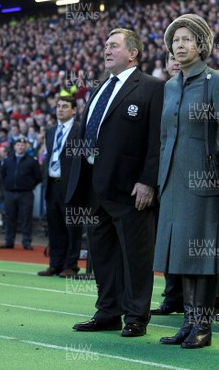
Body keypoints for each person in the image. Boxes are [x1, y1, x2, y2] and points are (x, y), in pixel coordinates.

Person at [67, 28, 164, 337]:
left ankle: (136, 316)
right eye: (105, 46)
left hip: (130, 189)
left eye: (113, 46)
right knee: (102, 255)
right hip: (96, 186)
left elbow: (156, 139)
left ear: (132, 53)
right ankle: (107, 311)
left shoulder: (152, 88)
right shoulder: (99, 88)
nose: (106, 50)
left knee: (136, 255)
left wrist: (148, 181)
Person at [155, 14, 219, 349]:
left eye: (187, 39)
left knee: (200, 254)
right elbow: (163, 137)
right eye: (176, 40)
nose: (180, 45)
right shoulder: (170, 86)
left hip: (204, 182)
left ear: (201, 45)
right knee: (181, 256)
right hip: (172, 181)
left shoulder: (217, 80)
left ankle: (203, 324)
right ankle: (189, 322)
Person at [151, 52, 184, 316]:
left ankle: (207, 302)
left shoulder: (209, 84)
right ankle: (172, 296)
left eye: (178, 57)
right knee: (169, 241)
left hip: (192, 177)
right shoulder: (162, 92)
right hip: (165, 176)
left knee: (194, 241)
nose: (174, 62)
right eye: (170, 58)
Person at [37, 96, 83, 278]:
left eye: (65, 106)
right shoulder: (51, 131)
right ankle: (55, 264)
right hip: (52, 185)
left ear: (74, 110)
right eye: (58, 106)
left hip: (71, 186)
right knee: (54, 227)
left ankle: (71, 265)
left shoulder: (80, 130)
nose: (60, 109)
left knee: (72, 227)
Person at [0, 138, 42, 250]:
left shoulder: (32, 161)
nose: (20, 147)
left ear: (25, 147)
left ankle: (26, 242)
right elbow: (3, 175)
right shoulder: (8, 160)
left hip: (26, 193)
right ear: (14, 146)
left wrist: (29, 185)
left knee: (26, 219)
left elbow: (38, 177)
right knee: (9, 218)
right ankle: (9, 241)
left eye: (23, 145)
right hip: (10, 193)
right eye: (18, 144)